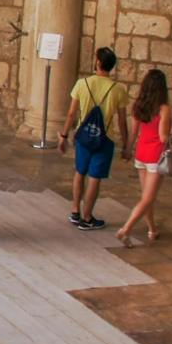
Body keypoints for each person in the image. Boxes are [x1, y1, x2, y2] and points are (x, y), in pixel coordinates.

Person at [119, 69, 172, 245]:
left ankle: (152, 229)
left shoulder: (138, 106)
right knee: (148, 198)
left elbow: (133, 133)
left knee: (146, 197)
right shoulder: (163, 109)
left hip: (141, 154)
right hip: (155, 156)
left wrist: (127, 150)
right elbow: (164, 138)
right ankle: (126, 230)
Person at [56, 46, 130, 230]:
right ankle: (87, 217)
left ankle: (75, 211)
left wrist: (64, 136)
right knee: (95, 177)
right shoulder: (118, 89)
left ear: (97, 62)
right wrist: (127, 145)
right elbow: (121, 121)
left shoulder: (82, 84)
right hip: (105, 139)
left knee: (79, 172)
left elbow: (72, 113)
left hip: (83, 136)